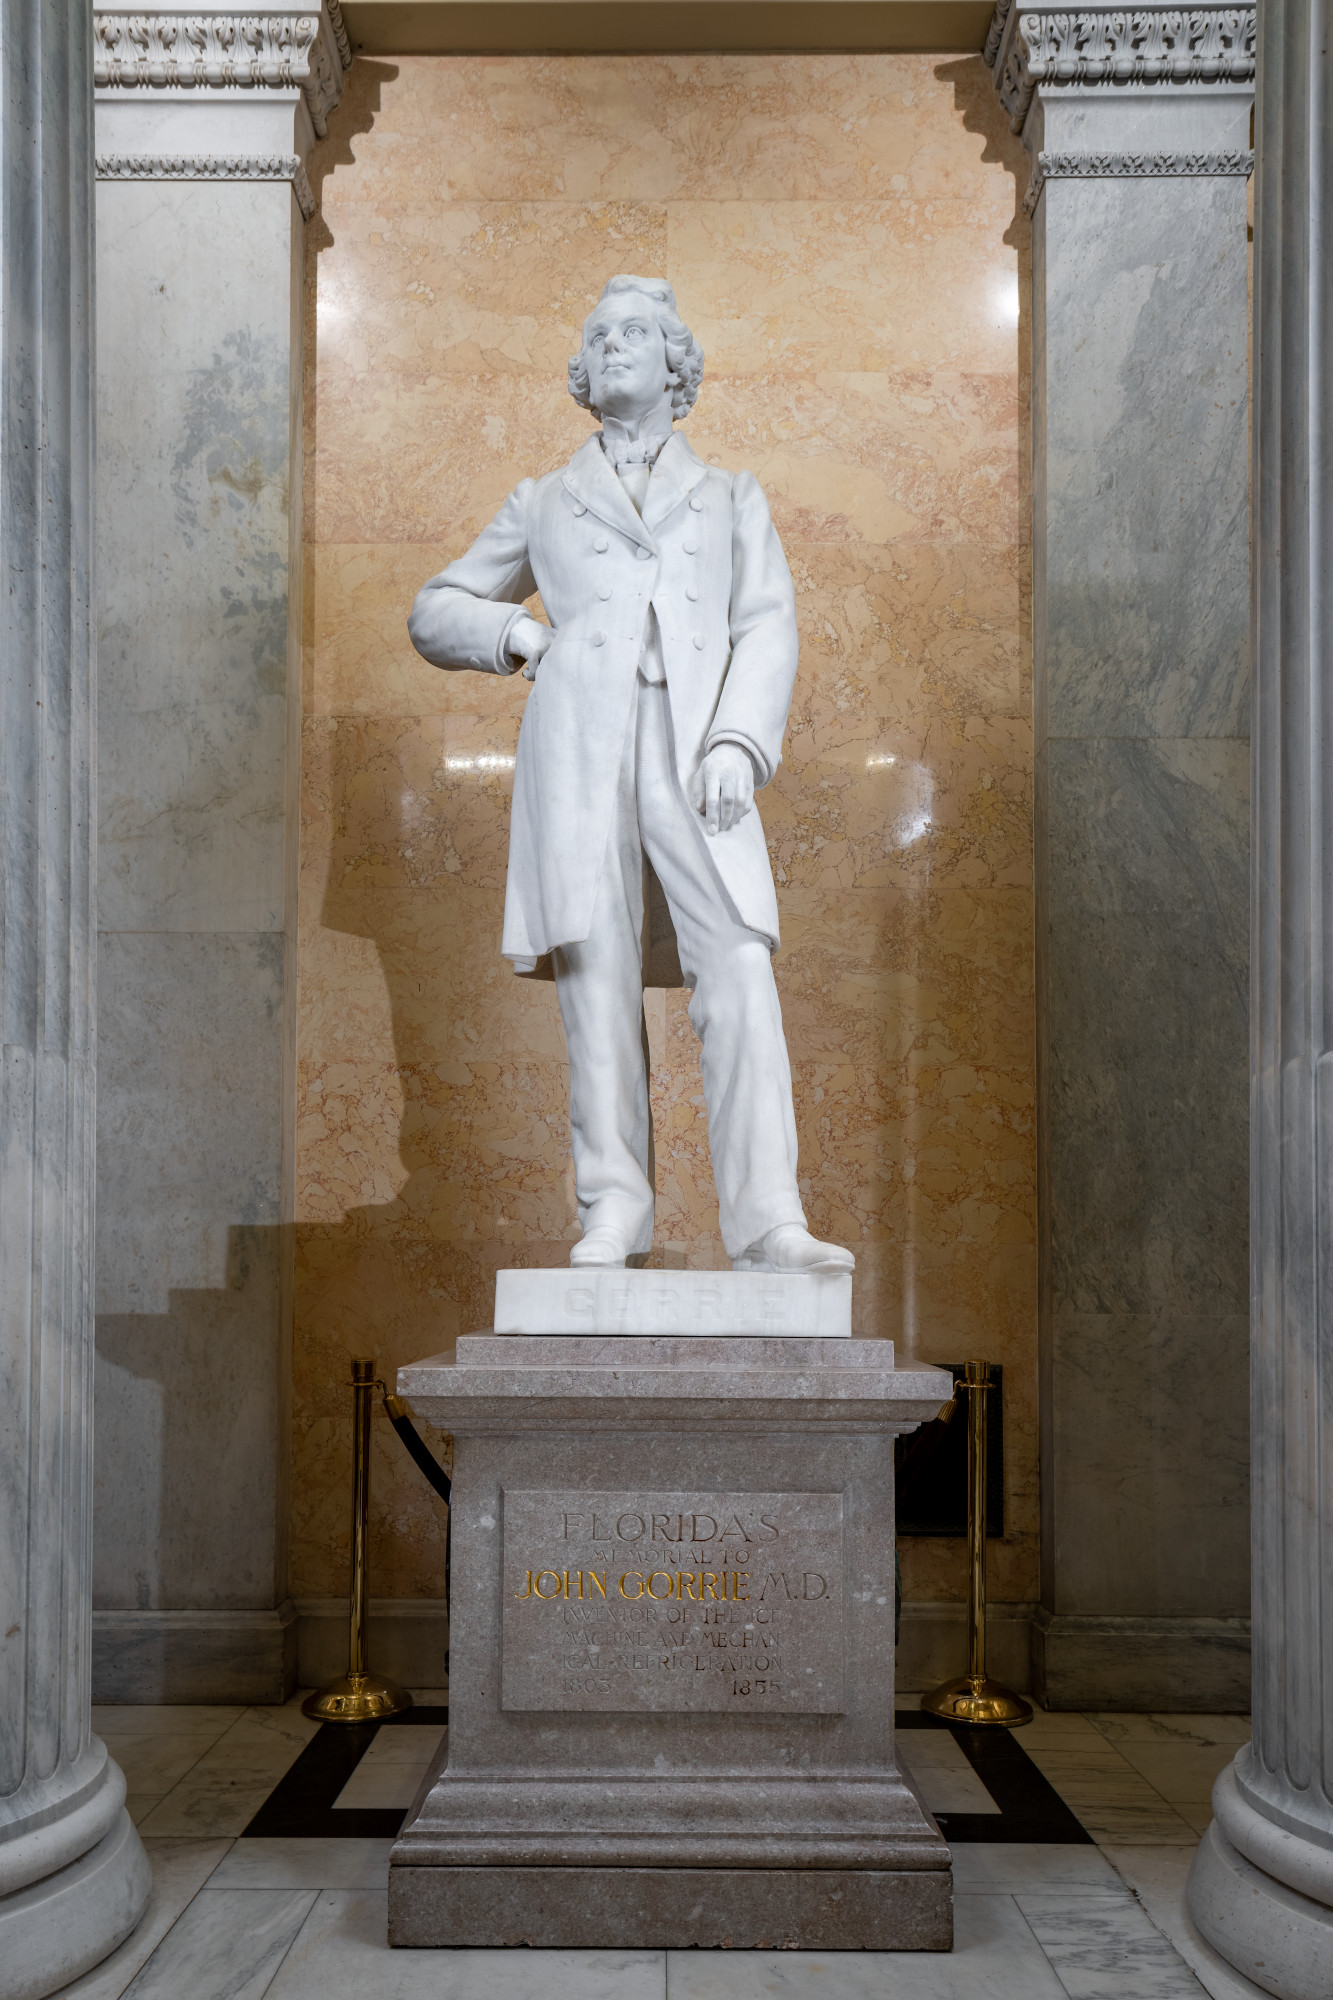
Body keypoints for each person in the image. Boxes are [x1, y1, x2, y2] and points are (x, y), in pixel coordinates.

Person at [408, 276, 853, 1278]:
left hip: (695, 751)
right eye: (599, 335)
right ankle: (613, 1207)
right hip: (579, 750)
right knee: (594, 976)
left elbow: (766, 623)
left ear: (675, 364)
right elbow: (435, 606)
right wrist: (522, 635)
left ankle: (769, 1218)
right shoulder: (545, 497)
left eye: (636, 333)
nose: (614, 346)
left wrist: (740, 740)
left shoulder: (732, 495)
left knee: (737, 966)